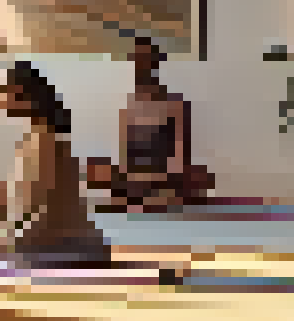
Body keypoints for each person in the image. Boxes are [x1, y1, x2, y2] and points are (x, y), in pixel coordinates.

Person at [0, 61, 112, 266]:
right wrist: (0, 203)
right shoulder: (35, 140)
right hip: (50, 245)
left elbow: (49, 215)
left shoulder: (47, 142)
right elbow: (30, 200)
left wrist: (3, 245)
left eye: (2, 92)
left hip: (65, 250)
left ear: (19, 93)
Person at [85, 37, 214, 212]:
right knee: (96, 169)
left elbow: (180, 156)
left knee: (199, 176)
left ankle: (150, 198)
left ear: (155, 63)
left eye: (146, 59)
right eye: (138, 60)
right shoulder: (129, 106)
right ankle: (146, 198)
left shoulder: (174, 104)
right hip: (136, 177)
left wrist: (157, 175)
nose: (141, 65)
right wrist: (131, 174)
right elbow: (124, 157)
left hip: (165, 175)